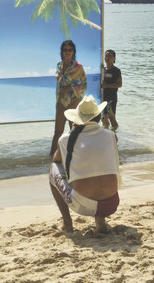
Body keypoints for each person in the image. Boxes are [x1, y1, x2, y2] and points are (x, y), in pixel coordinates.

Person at [48, 96, 120, 233]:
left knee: (52, 168)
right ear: (98, 118)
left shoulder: (66, 139)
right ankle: (100, 219)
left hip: (82, 205)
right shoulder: (111, 135)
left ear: (76, 119)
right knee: (98, 166)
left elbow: (57, 160)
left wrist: (72, 134)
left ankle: (67, 224)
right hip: (111, 203)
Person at [51, 40, 86, 155]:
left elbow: (84, 84)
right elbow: (59, 82)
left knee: (74, 131)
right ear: (62, 51)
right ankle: (52, 156)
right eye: (65, 50)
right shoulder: (59, 65)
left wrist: (71, 90)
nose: (67, 52)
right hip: (61, 101)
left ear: (73, 51)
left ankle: (75, 156)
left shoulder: (78, 67)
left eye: (70, 50)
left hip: (73, 101)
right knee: (58, 132)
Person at [100, 49, 122, 131]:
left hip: (111, 98)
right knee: (103, 119)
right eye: (106, 56)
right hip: (103, 97)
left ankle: (115, 134)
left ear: (114, 59)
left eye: (110, 56)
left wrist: (106, 86)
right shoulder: (103, 70)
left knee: (111, 117)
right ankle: (106, 135)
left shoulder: (116, 71)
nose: (108, 58)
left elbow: (119, 84)